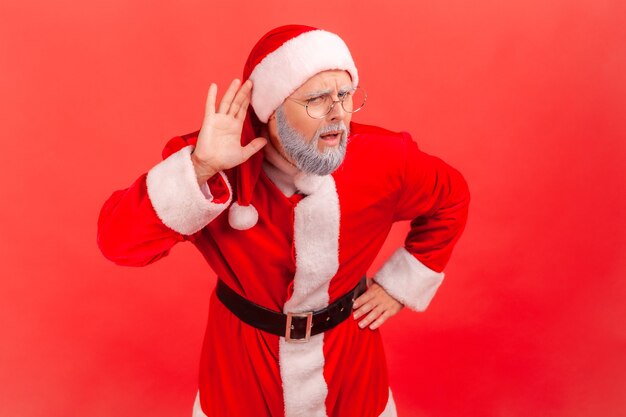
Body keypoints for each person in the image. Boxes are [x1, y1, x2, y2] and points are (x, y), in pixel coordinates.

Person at [97, 24, 470, 417]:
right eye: (317, 100)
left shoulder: (385, 159)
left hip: (350, 362)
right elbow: (117, 244)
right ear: (271, 110)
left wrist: (400, 286)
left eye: (344, 96)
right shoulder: (212, 161)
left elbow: (451, 196)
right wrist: (200, 168)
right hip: (242, 364)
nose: (338, 115)